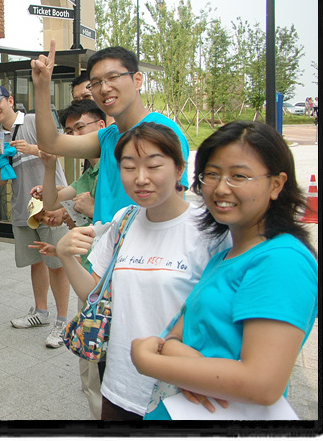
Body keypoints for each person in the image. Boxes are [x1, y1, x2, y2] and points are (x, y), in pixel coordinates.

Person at [132, 121, 318, 420]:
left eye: (239, 176)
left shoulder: (282, 261)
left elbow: (263, 384)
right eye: (212, 174)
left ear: (276, 184)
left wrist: (145, 360)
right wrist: (192, 365)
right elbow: (175, 339)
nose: (220, 188)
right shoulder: (226, 256)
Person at [54, 122, 230, 420]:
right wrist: (66, 256)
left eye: (153, 166)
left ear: (179, 169)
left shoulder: (211, 229)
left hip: (181, 394)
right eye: (129, 167)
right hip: (119, 388)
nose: (141, 178)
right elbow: (93, 292)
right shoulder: (124, 220)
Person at [31, 42, 190, 226]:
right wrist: (42, 87)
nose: (104, 88)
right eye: (96, 83)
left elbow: (174, 213)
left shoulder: (164, 131)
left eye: (113, 77)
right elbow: (50, 143)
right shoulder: (107, 136)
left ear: (137, 80)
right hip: (108, 242)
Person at [30, 98, 106, 418]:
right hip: (89, 274)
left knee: (100, 370)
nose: (74, 136)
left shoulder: (116, 168)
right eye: (70, 131)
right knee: (90, 370)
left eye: (80, 128)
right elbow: (52, 201)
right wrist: (49, 167)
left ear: (102, 127)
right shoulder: (90, 173)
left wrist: (92, 209)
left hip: (110, 278)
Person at [0, 84, 71, 349]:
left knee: (56, 263)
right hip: (23, 207)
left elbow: (61, 149)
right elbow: (0, 180)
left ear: (10, 100)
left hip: (50, 206)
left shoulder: (32, 121)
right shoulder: (0, 136)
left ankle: (63, 322)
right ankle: (41, 313)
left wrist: (31, 148)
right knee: (36, 261)